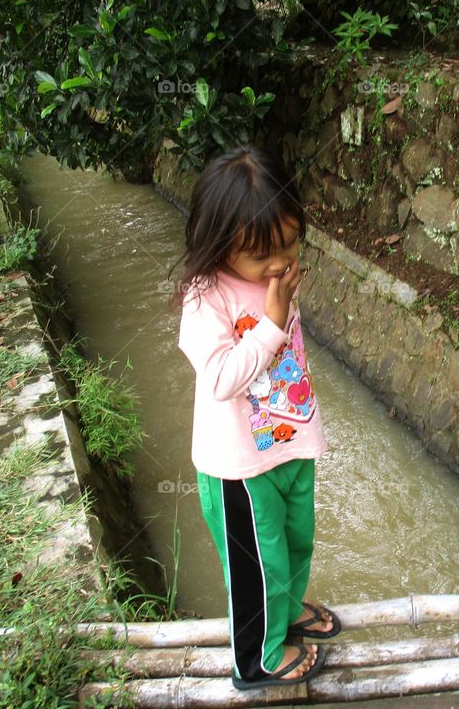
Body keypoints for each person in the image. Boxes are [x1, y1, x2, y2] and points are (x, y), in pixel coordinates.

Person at [169, 144, 341, 691]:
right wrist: (271, 319)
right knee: (255, 565)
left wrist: (277, 307)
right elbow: (221, 379)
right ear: (218, 245)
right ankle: (257, 658)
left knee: (294, 544)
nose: (281, 261)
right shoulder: (204, 298)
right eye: (264, 253)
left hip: (288, 444)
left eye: (290, 243)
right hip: (238, 467)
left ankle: (285, 616)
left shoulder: (275, 277)